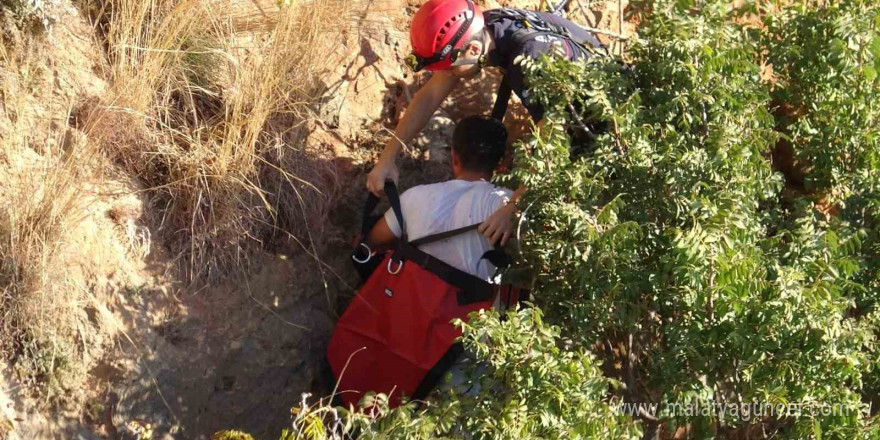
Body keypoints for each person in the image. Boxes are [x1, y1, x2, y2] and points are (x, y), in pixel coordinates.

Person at [366, 0, 605, 245]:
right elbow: (430, 95)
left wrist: (512, 209)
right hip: (578, 106)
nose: (445, 76)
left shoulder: (528, 59)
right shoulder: (486, 25)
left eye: (448, 69)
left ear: (472, 49)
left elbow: (554, 140)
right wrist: (387, 158)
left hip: (608, 130)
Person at [365, 115, 513, 283]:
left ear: (453, 156)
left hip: (414, 302)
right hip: (476, 307)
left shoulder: (414, 197)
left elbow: (373, 241)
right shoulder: (508, 205)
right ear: (501, 166)